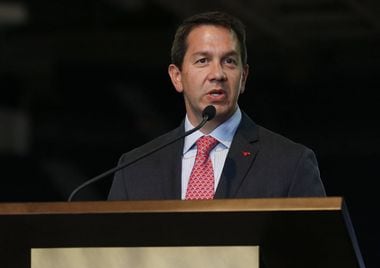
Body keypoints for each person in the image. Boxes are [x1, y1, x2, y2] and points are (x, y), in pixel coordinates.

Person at [108, 11, 325, 200]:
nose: (218, 74)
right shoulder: (134, 168)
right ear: (177, 77)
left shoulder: (290, 163)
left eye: (229, 61)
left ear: (244, 77)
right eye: (202, 60)